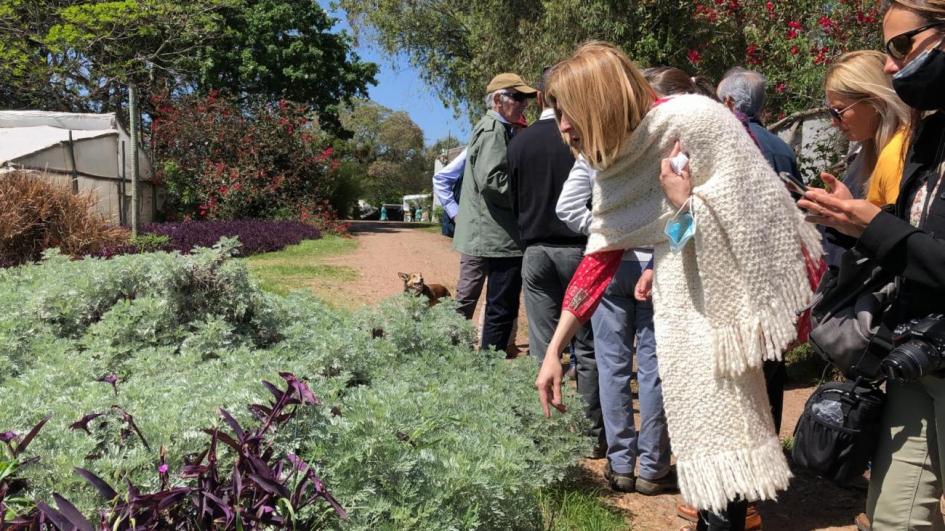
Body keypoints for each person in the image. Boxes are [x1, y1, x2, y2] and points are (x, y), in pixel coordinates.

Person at [535, 41, 821, 520]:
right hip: (685, 313)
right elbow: (601, 257)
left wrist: (685, 203)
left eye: (569, 112)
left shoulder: (697, 120)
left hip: (737, 314)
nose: (563, 126)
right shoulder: (616, 160)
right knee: (708, 450)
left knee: (732, 446)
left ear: (599, 99)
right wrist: (552, 349)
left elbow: (755, 220)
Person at [800, 2, 945, 529]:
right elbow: (911, 238)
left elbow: (901, 236)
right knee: (893, 518)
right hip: (915, 355)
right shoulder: (930, 136)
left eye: (902, 46)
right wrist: (851, 222)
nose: (891, 65)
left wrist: (871, 225)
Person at [508, 68, 604, 456]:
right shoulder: (583, 138)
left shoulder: (519, 142)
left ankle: (548, 436)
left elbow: (513, 200)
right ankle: (591, 435)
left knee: (544, 346)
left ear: (542, 96)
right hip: (582, 250)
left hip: (536, 252)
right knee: (589, 347)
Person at [453, 72, 536, 354]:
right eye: (518, 97)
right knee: (500, 306)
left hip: (491, 233)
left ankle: (464, 355)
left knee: (488, 303)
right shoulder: (493, 131)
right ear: (498, 100)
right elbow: (494, 182)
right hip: (496, 237)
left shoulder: (497, 128)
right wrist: (531, 195)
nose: (524, 104)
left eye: (526, 98)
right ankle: (489, 366)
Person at [825, 50, 912, 207]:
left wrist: (848, 211)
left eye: (838, 111)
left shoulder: (896, 155)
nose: (833, 122)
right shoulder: (871, 152)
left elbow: (896, 228)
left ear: (874, 103)